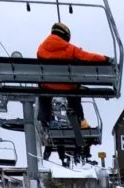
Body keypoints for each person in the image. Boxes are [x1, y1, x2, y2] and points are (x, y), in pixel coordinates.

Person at [36, 22, 106, 161]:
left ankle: (45, 118)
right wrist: (104, 58)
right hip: (68, 87)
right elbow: (87, 56)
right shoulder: (70, 49)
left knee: (43, 93)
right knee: (75, 94)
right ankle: (79, 118)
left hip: (48, 85)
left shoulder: (41, 49)